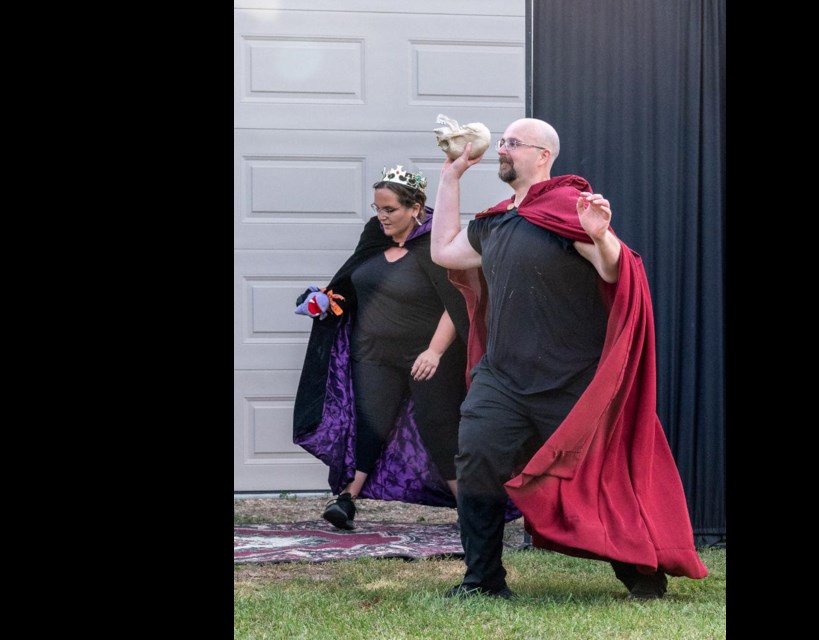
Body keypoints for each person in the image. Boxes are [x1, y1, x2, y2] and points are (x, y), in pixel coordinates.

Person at [430, 118, 709, 599]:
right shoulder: (494, 221)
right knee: (476, 458)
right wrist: (450, 178)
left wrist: (601, 236)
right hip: (503, 378)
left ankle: (640, 572)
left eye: (513, 144)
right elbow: (444, 253)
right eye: (502, 142)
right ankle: (482, 580)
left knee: (601, 472)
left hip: (572, 379)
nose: (502, 149)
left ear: (543, 155)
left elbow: (614, 266)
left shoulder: (567, 210)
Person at [292, 165, 470, 531]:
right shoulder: (375, 236)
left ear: (415, 208)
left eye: (389, 209)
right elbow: (353, 281)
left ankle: (471, 508)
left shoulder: (437, 243)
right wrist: (328, 301)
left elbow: (459, 305)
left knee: (439, 426)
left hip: (430, 356)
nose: (381, 217)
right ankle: (346, 500)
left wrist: (434, 352)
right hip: (373, 353)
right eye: (378, 208)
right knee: (370, 423)